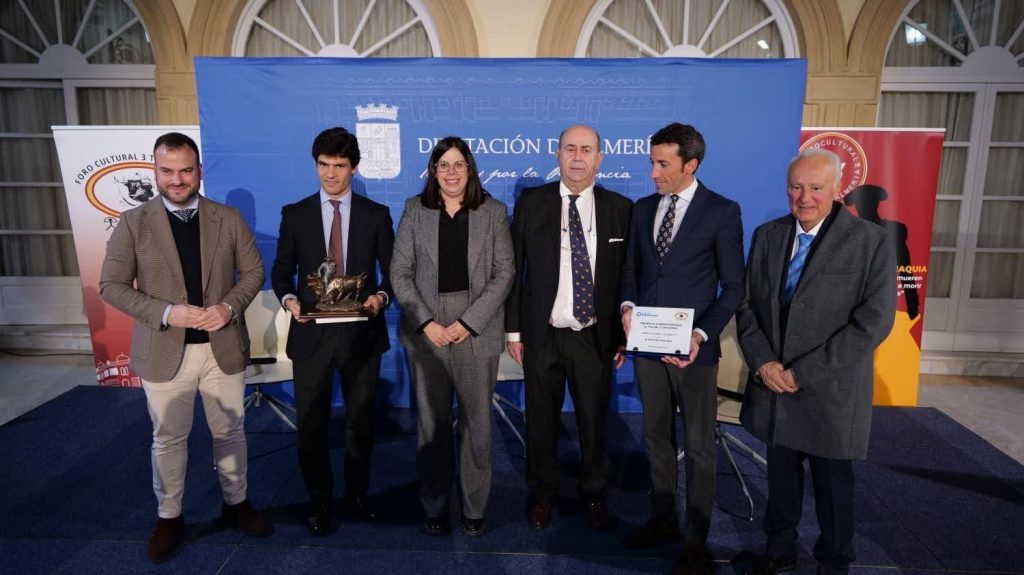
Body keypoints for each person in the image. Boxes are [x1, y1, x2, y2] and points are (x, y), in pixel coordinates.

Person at [99, 132, 270, 564]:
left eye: (186, 170)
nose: (177, 179)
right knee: (169, 439)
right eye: (168, 171)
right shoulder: (133, 223)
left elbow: (253, 271)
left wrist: (228, 307)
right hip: (163, 350)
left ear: (199, 171)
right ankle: (169, 517)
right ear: (155, 172)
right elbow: (111, 286)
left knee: (230, 432)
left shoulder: (228, 218)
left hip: (222, 347)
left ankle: (236, 503)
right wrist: (166, 312)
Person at [732, 149, 896, 575]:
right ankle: (779, 551)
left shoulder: (871, 242)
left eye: (816, 187)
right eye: (796, 186)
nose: (804, 197)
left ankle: (834, 564)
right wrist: (764, 363)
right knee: (781, 480)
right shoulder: (767, 235)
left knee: (833, 488)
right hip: (774, 387)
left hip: (829, 390)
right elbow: (746, 306)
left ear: (837, 188)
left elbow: (874, 323)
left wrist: (803, 373)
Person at [618, 122, 745, 574]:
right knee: (655, 435)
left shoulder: (722, 212)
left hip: (694, 352)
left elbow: (733, 288)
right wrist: (628, 307)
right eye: (652, 162)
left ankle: (695, 539)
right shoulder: (642, 209)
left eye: (662, 164)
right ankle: (662, 519)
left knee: (698, 445)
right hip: (648, 348)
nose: (653, 172)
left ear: (690, 165)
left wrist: (700, 335)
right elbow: (631, 271)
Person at [505, 124, 633, 531]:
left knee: (593, 423)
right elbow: (514, 270)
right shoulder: (532, 203)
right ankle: (543, 494)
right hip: (541, 335)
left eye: (586, 150)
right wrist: (513, 332)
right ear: (557, 155)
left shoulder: (621, 208)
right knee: (540, 422)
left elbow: (627, 276)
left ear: (600, 158)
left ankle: (594, 494)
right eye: (570, 149)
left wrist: (622, 336)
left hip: (594, 337)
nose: (578, 157)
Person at [271, 127, 394, 536]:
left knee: (360, 422)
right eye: (323, 165)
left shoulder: (376, 214)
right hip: (311, 334)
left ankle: (357, 495)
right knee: (312, 424)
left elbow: (393, 273)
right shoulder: (296, 213)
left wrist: (380, 297)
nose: (330, 174)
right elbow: (281, 272)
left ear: (354, 168)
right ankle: (319, 501)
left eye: (339, 166)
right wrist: (290, 300)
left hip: (361, 334)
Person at [390, 136, 514, 537]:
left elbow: (505, 273)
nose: (451, 171)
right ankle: (435, 504)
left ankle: (475, 508)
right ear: (433, 171)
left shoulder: (493, 212)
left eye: (459, 164)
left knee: (478, 426)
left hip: (477, 327)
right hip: (427, 330)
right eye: (443, 164)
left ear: (470, 169)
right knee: (433, 425)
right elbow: (399, 273)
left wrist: (468, 322)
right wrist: (427, 323)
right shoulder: (415, 209)